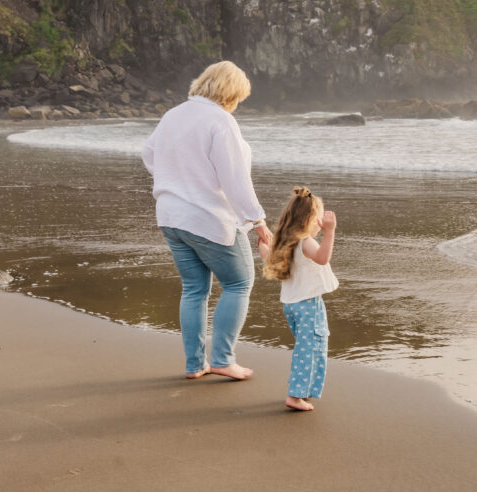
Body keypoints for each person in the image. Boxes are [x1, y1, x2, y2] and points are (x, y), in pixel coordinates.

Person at [142, 61, 272, 381]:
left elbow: (149, 154)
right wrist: (258, 221)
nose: (237, 105)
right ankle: (223, 359)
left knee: (194, 289)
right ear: (230, 93)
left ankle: (194, 364)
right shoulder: (220, 121)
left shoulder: (173, 114)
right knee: (239, 283)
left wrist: (177, 182)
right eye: (238, 98)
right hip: (207, 218)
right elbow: (235, 179)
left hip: (171, 217)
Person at [258, 186, 339, 411]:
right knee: (310, 349)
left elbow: (268, 258)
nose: (320, 226)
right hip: (309, 305)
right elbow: (322, 258)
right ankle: (295, 396)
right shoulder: (305, 241)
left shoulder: (284, 242)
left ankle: (304, 391)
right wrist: (331, 232)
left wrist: (264, 246)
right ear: (311, 219)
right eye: (319, 221)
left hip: (291, 305)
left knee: (307, 347)